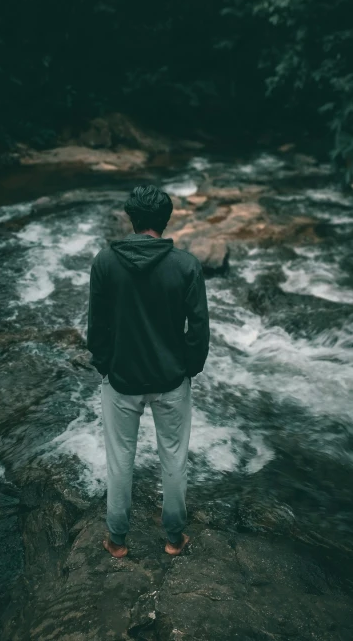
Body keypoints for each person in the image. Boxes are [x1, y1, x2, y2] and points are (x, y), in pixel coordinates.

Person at [87, 184, 210, 558]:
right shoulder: (186, 265)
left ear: (132, 218)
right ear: (165, 220)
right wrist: (189, 369)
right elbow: (199, 328)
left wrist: (105, 365)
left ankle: (118, 542)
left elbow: (97, 329)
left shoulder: (105, 263)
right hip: (172, 380)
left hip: (121, 380)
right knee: (174, 459)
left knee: (120, 460)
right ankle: (174, 540)